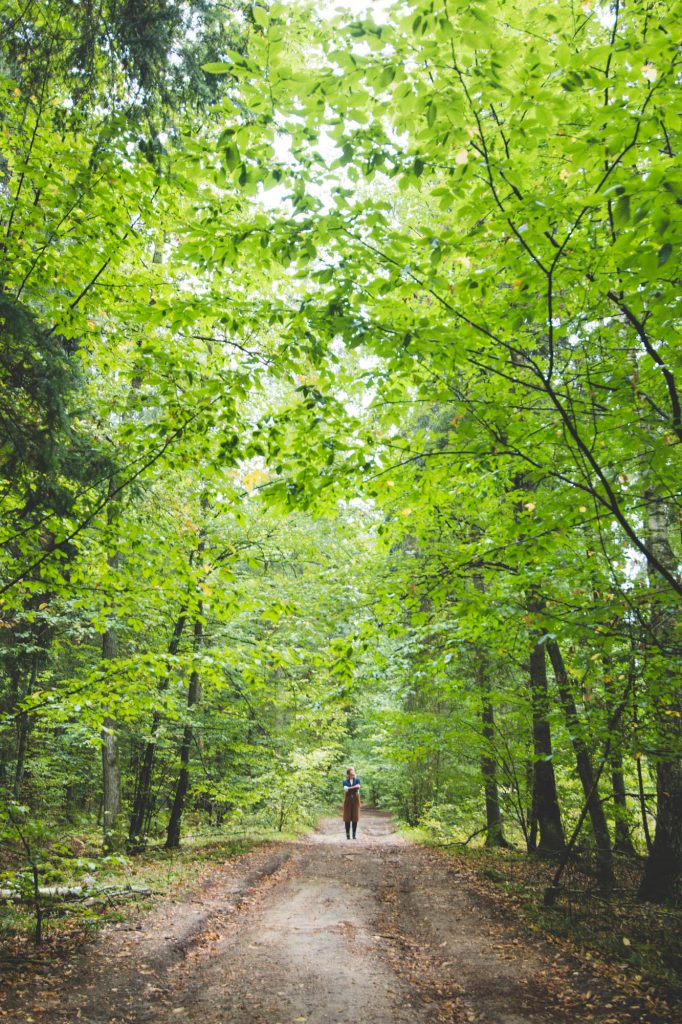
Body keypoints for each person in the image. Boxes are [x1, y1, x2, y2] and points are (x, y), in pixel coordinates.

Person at [342, 766, 361, 839]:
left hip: (356, 799)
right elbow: (345, 789)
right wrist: (354, 787)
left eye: (354, 773)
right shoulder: (345, 781)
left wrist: (350, 788)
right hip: (347, 799)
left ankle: (354, 835)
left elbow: (358, 787)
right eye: (351, 774)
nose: (353, 775)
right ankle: (347, 835)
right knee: (347, 817)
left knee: (355, 817)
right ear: (348, 774)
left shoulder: (357, 780)